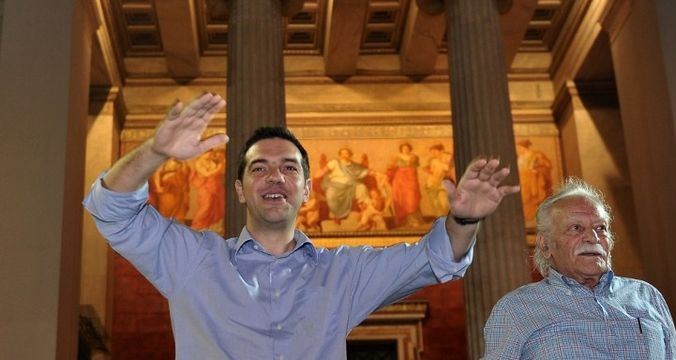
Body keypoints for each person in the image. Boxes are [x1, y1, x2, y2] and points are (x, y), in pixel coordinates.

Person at [83, 93, 520, 359]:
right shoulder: (192, 261)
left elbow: (436, 257)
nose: (275, 177)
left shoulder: (345, 274)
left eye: (289, 168)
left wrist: (464, 218)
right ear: (238, 190)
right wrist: (155, 152)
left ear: (308, 189)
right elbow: (112, 208)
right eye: (259, 169)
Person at [483, 177, 676, 359]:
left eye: (601, 228)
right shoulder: (516, 309)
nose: (592, 238)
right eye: (576, 228)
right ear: (545, 245)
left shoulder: (647, 296)